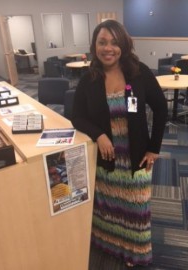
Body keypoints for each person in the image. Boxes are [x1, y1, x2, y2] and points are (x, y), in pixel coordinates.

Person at [71, 20, 167, 268]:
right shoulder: (89, 79)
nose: (108, 48)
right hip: (107, 161)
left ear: (123, 45)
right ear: (95, 46)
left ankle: (134, 252)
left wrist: (154, 148)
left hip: (136, 158)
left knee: (135, 209)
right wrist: (99, 135)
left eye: (114, 42)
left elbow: (161, 107)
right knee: (110, 208)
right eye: (102, 42)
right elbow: (77, 116)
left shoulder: (139, 72)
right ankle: (111, 247)